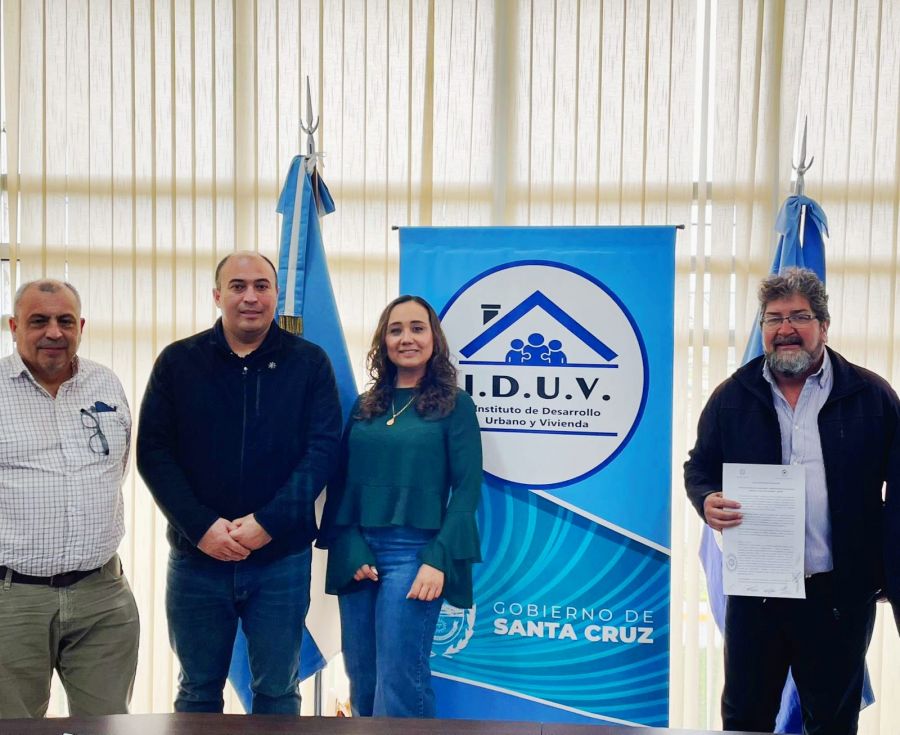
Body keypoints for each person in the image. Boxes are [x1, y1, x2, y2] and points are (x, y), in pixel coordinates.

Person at [684, 268, 900, 735]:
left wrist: (887, 568)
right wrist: (706, 500)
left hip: (838, 596)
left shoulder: (872, 397)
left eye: (799, 316)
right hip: (757, 595)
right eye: (774, 318)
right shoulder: (732, 396)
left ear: (824, 325)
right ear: (763, 327)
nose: (785, 328)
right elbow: (699, 467)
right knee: (745, 719)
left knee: (833, 722)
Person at [137, 251, 341, 714]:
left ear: (276, 295)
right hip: (197, 560)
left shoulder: (309, 363)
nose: (250, 296)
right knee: (197, 690)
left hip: (280, 560)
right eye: (238, 286)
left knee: (278, 690)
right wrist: (202, 527)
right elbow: (154, 452)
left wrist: (268, 522)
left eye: (261, 286)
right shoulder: (178, 362)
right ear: (217, 295)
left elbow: (323, 451)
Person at [318, 295, 482, 718]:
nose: (406, 338)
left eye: (417, 328)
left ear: (434, 339)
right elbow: (341, 482)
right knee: (363, 678)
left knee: (399, 680)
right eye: (395, 330)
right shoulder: (365, 405)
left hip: (416, 554)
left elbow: (467, 491)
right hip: (359, 553)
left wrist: (438, 559)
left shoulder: (455, 405)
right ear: (383, 341)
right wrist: (350, 546)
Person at [0, 279, 139, 719]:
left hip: (102, 597)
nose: (53, 332)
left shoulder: (106, 383)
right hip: (12, 600)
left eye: (65, 321)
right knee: (13, 725)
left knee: (107, 723)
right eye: (38, 321)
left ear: (81, 326)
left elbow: (116, 467)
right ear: (14, 327)